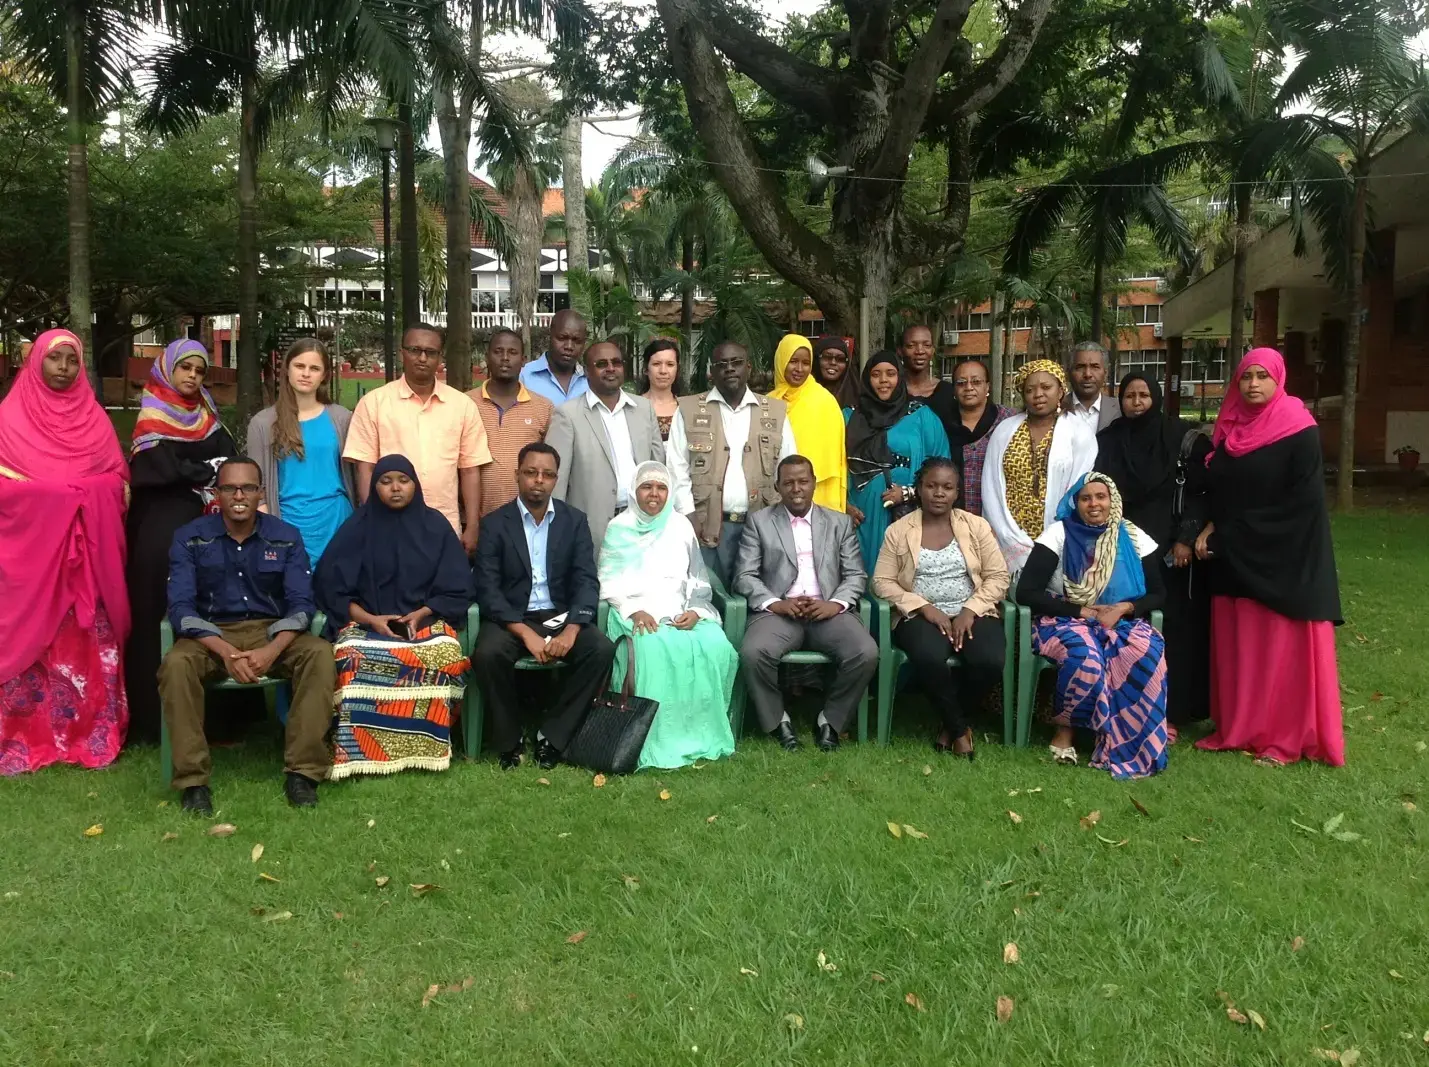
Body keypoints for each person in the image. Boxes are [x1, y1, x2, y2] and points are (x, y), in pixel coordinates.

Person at [1192, 348, 1343, 767]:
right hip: (1233, 559)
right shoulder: (1230, 430)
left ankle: (1284, 739)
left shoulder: (1299, 429)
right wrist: (1210, 528)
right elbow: (1219, 490)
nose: (1253, 384)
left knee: (1280, 652)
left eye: (1262, 376)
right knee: (1243, 648)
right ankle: (1239, 728)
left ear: (1279, 380)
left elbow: (1303, 504)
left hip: (1283, 558)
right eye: (1246, 377)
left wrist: (1231, 535)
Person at [158, 457, 335, 811]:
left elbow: (302, 604)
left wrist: (271, 650)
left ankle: (302, 773)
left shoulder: (285, 537)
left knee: (319, 653)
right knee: (176, 666)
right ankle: (193, 783)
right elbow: (180, 608)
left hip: (271, 632)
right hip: (209, 637)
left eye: (248, 488)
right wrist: (225, 651)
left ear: (260, 493)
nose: (239, 495)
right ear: (217, 493)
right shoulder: (190, 538)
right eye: (229, 488)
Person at [0, 330, 130, 775]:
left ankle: (88, 733)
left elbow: (118, 482)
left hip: (85, 571)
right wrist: (58, 498)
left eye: (71, 361)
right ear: (37, 361)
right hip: (32, 566)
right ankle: (24, 737)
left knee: (86, 644)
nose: (63, 368)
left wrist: (82, 493)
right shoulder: (9, 418)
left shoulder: (95, 420)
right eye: (54, 359)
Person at [314, 455, 474, 780]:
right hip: (365, 624)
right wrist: (371, 619)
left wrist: (423, 612)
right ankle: (361, 753)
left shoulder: (435, 526)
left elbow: (457, 585)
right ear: (374, 487)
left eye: (403, 480)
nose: (396, 488)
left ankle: (428, 749)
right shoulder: (358, 527)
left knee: (443, 655)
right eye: (386, 482)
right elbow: (331, 587)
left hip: (426, 622)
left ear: (415, 484)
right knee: (351, 657)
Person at [472, 442, 617, 770]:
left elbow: (585, 581)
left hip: (559, 614)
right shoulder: (495, 524)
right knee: (487, 654)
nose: (539, 480)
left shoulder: (574, 521)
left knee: (601, 650)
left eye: (547, 474)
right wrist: (525, 634)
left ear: (556, 479)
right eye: (531, 473)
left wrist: (572, 629)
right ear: (517, 475)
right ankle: (509, 742)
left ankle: (552, 736)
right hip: (513, 617)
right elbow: (488, 588)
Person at [1015, 472, 1169, 779]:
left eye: (1101, 497)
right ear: (1076, 503)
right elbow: (1026, 592)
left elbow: (1160, 594)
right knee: (1085, 656)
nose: (1094, 504)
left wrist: (1124, 608)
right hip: (1063, 618)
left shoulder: (1134, 537)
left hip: (1120, 621)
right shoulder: (1058, 534)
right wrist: (1082, 611)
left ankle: (1125, 739)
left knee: (1147, 651)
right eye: (1086, 498)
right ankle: (1065, 732)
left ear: (1113, 500)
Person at [125, 338, 237, 745]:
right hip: (163, 534)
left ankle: (220, 719)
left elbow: (228, 462)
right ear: (167, 370)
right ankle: (155, 720)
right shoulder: (152, 418)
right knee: (162, 614)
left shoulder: (208, 414)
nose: (192, 376)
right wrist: (203, 470)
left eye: (199, 370)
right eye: (184, 368)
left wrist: (199, 471)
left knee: (215, 612)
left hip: (212, 530)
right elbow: (157, 472)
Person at [733, 455, 879, 752]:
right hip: (780, 613)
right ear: (777, 487)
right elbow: (744, 575)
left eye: (803, 481)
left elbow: (855, 574)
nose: (796, 488)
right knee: (753, 652)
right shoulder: (760, 522)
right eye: (788, 483)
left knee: (865, 652)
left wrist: (835, 604)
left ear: (813, 484)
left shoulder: (838, 522)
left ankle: (831, 720)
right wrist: (775, 603)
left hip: (827, 611)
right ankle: (778, 720)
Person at [598, 461, 737, 770]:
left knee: (715, 645)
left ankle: (699, 733)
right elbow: (607, 580)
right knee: (652, 650)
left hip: (679, 609)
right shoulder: (619, 527)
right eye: (647, 486)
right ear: (634, 491)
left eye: (661, 488)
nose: (654, 494)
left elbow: (698, 577)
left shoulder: (680, 525)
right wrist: (633, 610)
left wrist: (696, 611)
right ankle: (646, 737)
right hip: (633, 609)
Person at [871, 458, 1009, 757]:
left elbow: (998, 577)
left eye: (947, 487)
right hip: (919, 617)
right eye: (931, 486)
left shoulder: (976, 526)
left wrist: (970, 610)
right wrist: (923, 607)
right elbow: (882, 581)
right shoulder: (899, 530)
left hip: (972, 612)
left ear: (957, 492)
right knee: (930, 657)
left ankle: (951, 726)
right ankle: (959, 730)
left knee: (989, 660)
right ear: (919, 489)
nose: (938, 493)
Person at [1096, 372, 1210, 732]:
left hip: (1172, 553)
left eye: (1144, 394)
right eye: (1129, 395)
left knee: (1173, 629)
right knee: (1129, 627)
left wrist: (1186, 538)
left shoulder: (1181, 439)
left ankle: (1172, 711)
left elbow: (1202, 493)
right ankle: (1126, 707)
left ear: (1157, 397)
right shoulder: (1109, 440)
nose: (1136, 402)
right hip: (1122, 550)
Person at [343, 323, 492, 552]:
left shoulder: (462, 406)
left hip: (445, 527)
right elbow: (365, 469)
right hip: (389, 528)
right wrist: (372, 520)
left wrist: (472, 525)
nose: (422, 358)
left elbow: (470, 469)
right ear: (402, 353)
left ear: (439, 357)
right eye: (414, 350)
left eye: (430, 352)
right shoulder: (374, 404)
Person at [667, 341, 797, 587]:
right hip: (706, 526)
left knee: (756, 597)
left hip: (762, 523)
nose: (729, 369)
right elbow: (676, 468)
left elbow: (788, 467)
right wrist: (688, 515)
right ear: (711, 372)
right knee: (708, 597)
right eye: (721, 364)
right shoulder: (688, 409)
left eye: (736, 363)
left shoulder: (776, 413)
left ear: (748, 368)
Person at [981, 359, 1097, 575]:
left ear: (1061, 391)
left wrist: (1053, 535)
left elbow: (1078, 487)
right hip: (1008, 534)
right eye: (1030, 389)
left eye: (1046, 387)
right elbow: (991, 486)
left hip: (1061, 533)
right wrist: (1006, 532)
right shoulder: (1005, 430)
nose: (1038, 394)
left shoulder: (1079, 432)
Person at [245, 338, 356, 563]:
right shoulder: (263, 423)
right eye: (299, 366)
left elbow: (354, 474)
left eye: (314, 368)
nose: (306, 373)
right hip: (286, 523)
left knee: (335, 596)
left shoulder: (342, 418)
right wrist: (271, 532)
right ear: (287, 369)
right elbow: (258, 487)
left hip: (336, 522)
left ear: (325, 375)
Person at [547, 341, 665, 548]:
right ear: (586, 371)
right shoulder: (568, 415)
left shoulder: (644, 408)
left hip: (642, 522)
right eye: (601, 363)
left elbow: (658, 467)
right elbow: (557, 481)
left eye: (616, 362)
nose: (611, 368)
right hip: (592, 528)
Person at [844, 350, 950, 573]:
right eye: (876, 374)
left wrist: (910, 493)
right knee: (866, 573)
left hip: (911, 510)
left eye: (890, 374)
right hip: (862, 512)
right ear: (866, 379)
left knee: (910, 573)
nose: (883, 380)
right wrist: (843, 505)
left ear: (900, 377)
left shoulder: (922, 415)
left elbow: (943, 470)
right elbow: (834, 465)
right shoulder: (848, 416)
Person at [467, 327, 553, 517]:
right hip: (475, 518)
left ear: (523, 360)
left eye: (513, 352)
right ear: (487, 357)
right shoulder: (465, 404)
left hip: (526, 518)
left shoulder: (543, 407)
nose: (505, 358)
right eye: (498, 352)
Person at [770, 334, 847, 513]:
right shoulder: (767, 403)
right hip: (775, 493)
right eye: (793, 361)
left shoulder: (825, 402)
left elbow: (835, 463)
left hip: (819, 494)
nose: (799, 369)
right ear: (781, 361)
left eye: (805, 363)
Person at [946, 358, 1014, 517]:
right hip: (953, 517)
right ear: (954, 390)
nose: (968, 387)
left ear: (987, 387)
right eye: (961, 383)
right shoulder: (941, 423)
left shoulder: (1009, 420)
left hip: (999, 518)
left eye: (976, 382)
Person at [898, 323, 960, 442]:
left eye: (926, 345)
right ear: (900, 351)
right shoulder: (891, 391)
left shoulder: (948, 392)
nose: (920, 351)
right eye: (911, 345)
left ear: (932, 350)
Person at [520, 309, 589, 406]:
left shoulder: (591, 382)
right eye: (562, 338)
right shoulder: (524, 377)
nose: (569, 346)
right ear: (549, 336)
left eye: (577, 341)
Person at [1064, 342, 1119, 431]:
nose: (1087, 374)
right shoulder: (1055, 409)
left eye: (1095, 367)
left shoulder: (1121, 410)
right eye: (1080, 367)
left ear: (1105, 373)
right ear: (1068, 373)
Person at [639, 338, 681, 441]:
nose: (663, 371)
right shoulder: (633, 407)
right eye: (656, 364)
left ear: (677, 369)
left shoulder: (685, 408)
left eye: (670, 364)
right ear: (646, 368)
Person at [812, 335, 860, 410]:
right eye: (827, 357)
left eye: (840, 359)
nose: (833, 362)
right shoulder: (801, 393)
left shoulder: (858, 400)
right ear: (817, 359)